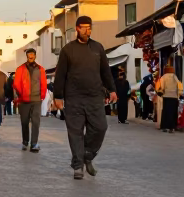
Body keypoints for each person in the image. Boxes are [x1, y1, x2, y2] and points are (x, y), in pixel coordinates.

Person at [52, 15, 116, 180]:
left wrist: (112, 90)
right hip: (74, 98)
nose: (88, 31)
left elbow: (105, 71)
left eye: (90, 27)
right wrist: (58, 96)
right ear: (77, 29)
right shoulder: (68, 50)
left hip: (95, 97)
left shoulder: (97, 48)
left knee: (100, 127)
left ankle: (87, 155)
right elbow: (60, 75)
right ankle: (78, 165)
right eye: (84, 27)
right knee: (75, 132)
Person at [13, 47, 48, 152]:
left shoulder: (40, 69)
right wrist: (20, 95)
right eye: (29, 54)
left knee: (36, 121)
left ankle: (34, 143)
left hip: (36, 99)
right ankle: (25, 141)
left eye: (32, 54)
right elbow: (16, 83)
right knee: (24, 122)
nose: (31, 56)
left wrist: (42, 95)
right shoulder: (20, 69)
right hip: (23, 100)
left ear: (35, 55)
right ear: (27, 56)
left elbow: (44, 83)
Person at [157, 63, 184, 133]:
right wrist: (179, 94)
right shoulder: (175, 77)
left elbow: (161, 87)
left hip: (166, 96)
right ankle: (173, 126)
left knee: (166, 111)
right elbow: (179, 85)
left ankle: (165, 126)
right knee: (173, 112)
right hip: (174, 96)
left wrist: (160, 92)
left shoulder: (163, 77)